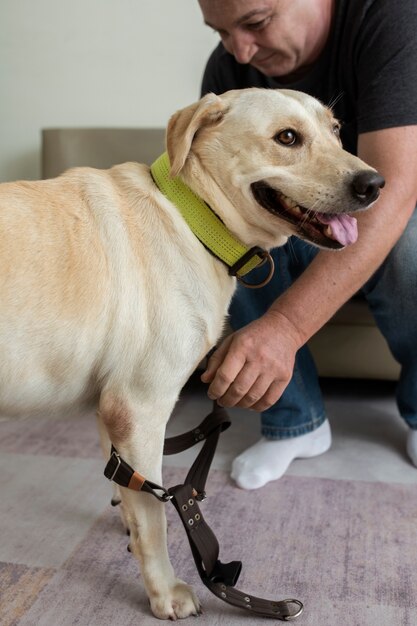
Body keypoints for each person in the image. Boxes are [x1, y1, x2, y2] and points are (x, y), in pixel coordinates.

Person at [197, 0, 417, 489]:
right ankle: (295, 422)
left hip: (395, 216)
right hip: (304, 223)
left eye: (255, 23)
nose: (240, 49)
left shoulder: (389, 19)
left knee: (407, 237)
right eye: (221, 31)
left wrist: (286, 327)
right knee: (226, 224)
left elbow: (397, 189)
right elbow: (216, 181)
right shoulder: (230, 64)